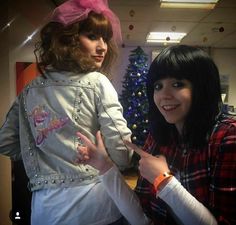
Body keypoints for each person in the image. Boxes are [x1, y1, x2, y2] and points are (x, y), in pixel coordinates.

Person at [0, 0, 133, 224]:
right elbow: (122, 152)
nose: (103, 47)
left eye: (104, 38)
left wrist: (44, 154)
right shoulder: (97, 83)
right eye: (92, 37)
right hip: (95, 205)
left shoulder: (30, 89)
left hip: (45, 209)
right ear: (68, 40)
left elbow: (5, 141)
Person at [77, 45, 236, 225]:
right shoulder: (160, 137)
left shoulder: (227, 137)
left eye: (177, 84)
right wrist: (104, 166)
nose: (163, 95)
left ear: (202, 87)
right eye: (158, 86)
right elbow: (143, 216)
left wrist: (164, 180)